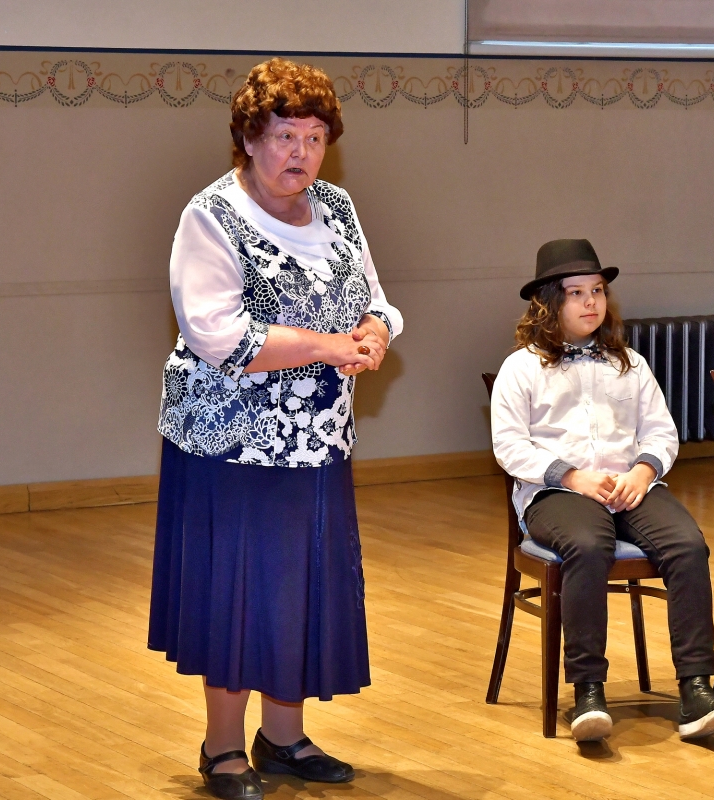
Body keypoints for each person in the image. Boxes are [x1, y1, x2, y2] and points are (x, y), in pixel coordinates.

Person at [147, 58, 403, 799]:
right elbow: (217, 333)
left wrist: (374, 332)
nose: (301, 152)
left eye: (315, 137)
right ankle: (223, 749)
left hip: (316, 443)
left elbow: (375, 300)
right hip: (231, 445)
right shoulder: (210, 216)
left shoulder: (337, 208)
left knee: (299, 587)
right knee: (237, 594)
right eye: (285, 136)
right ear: (250, 139)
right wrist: (328, 346)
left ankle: (283, 738)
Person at [490, 239, 714, 743]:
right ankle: (588, 692)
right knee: (588, 546)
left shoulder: (629, 363)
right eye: (576, 293)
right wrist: (570, 475)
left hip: (630, 486)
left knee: (688, 546)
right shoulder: (521, 368)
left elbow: (661, 433)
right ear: (549, 302)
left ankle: (696, 689)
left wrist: (644, 472)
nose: (591, 302)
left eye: (598, 291)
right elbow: (509, 446)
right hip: (557, 492)